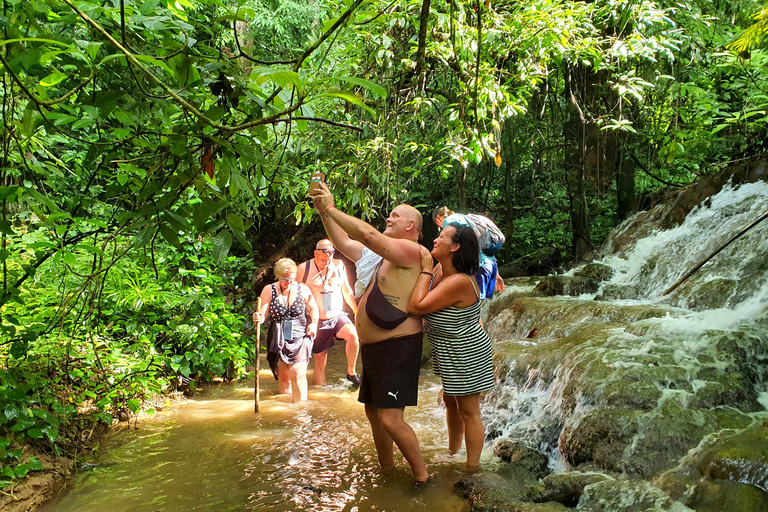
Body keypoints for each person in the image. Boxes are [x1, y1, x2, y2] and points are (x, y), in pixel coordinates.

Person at [310, 182, 429, 484]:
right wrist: (324, 212)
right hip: (375, 348)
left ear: (410, 225)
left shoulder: (412, 251)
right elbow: (344, 241)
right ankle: (386, 470)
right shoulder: (380, 256)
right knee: (374, 413)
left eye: (394, 215)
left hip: (397, 346)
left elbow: (368, 234)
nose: (388, 219)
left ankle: (423, 477)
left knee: (390, 418)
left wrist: (334, 207)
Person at [408, 225, 495, 472]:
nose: (436, 239)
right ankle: (453, 452)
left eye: (442, 237)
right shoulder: (440, 270)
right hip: (449, 350)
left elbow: (417, 306)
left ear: (455, 247)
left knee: (469, 410)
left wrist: (424, 269)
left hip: (466, 351)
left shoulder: (458, 281)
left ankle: (472, 468)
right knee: (450, 400)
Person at [253, 258, 319, 403]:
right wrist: (259, 318)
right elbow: (264, 313)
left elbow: (314, 307)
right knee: (284, 378)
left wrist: (313, 323)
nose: (288, 282)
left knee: (298, 372)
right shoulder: (269, 289)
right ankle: (287, 413)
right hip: (278, 335)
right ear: (278, 275)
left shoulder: (302, 288)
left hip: (300, 334)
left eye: (291, 278)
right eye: (284, 279)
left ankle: (301, 410)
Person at [297, 239, 361, 387]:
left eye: (328, 259)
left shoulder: (338, 265)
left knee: (353, 335)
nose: (325, 262)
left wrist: (355, 309)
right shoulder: (304, 269)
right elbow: (296, 295)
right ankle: (320, 392)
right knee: (321, 361)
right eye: (322, 259)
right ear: (315, 253)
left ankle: (351, 373)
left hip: (338, 316)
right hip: (317, 320)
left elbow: (346, 289)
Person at [432, 206, 505, 299]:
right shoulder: (465, 218)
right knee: (482, 302)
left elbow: (451, 249)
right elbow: (483, 246)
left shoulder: (449, 223)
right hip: (491, 265)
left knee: (475, 301)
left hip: (478, 266)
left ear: (438, 219)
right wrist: (496, 274)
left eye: (441, 236)